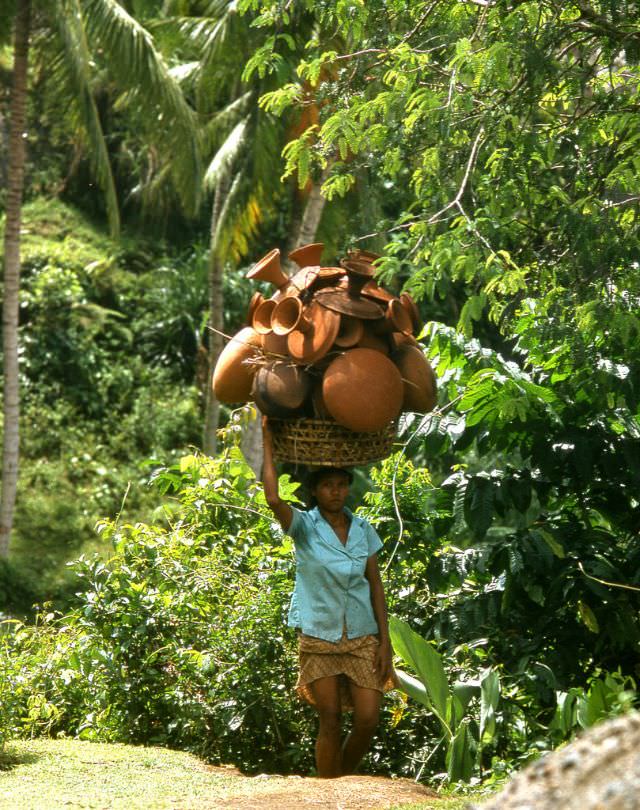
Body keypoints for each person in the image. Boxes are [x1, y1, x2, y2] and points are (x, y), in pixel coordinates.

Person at [261, 417, 395, 778]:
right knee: (330, 718)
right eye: (327, 486)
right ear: (316, 492)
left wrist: (386, 643)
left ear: (348, 488)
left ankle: (341, 782)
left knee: (368, 718)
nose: (335, 492)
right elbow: (273, 497)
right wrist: (267, 441)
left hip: (362, 634)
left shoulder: (364, 530)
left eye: (341, 485)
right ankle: (328, 789)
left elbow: (375, 586)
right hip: (319, 634)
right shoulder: (305, 527)